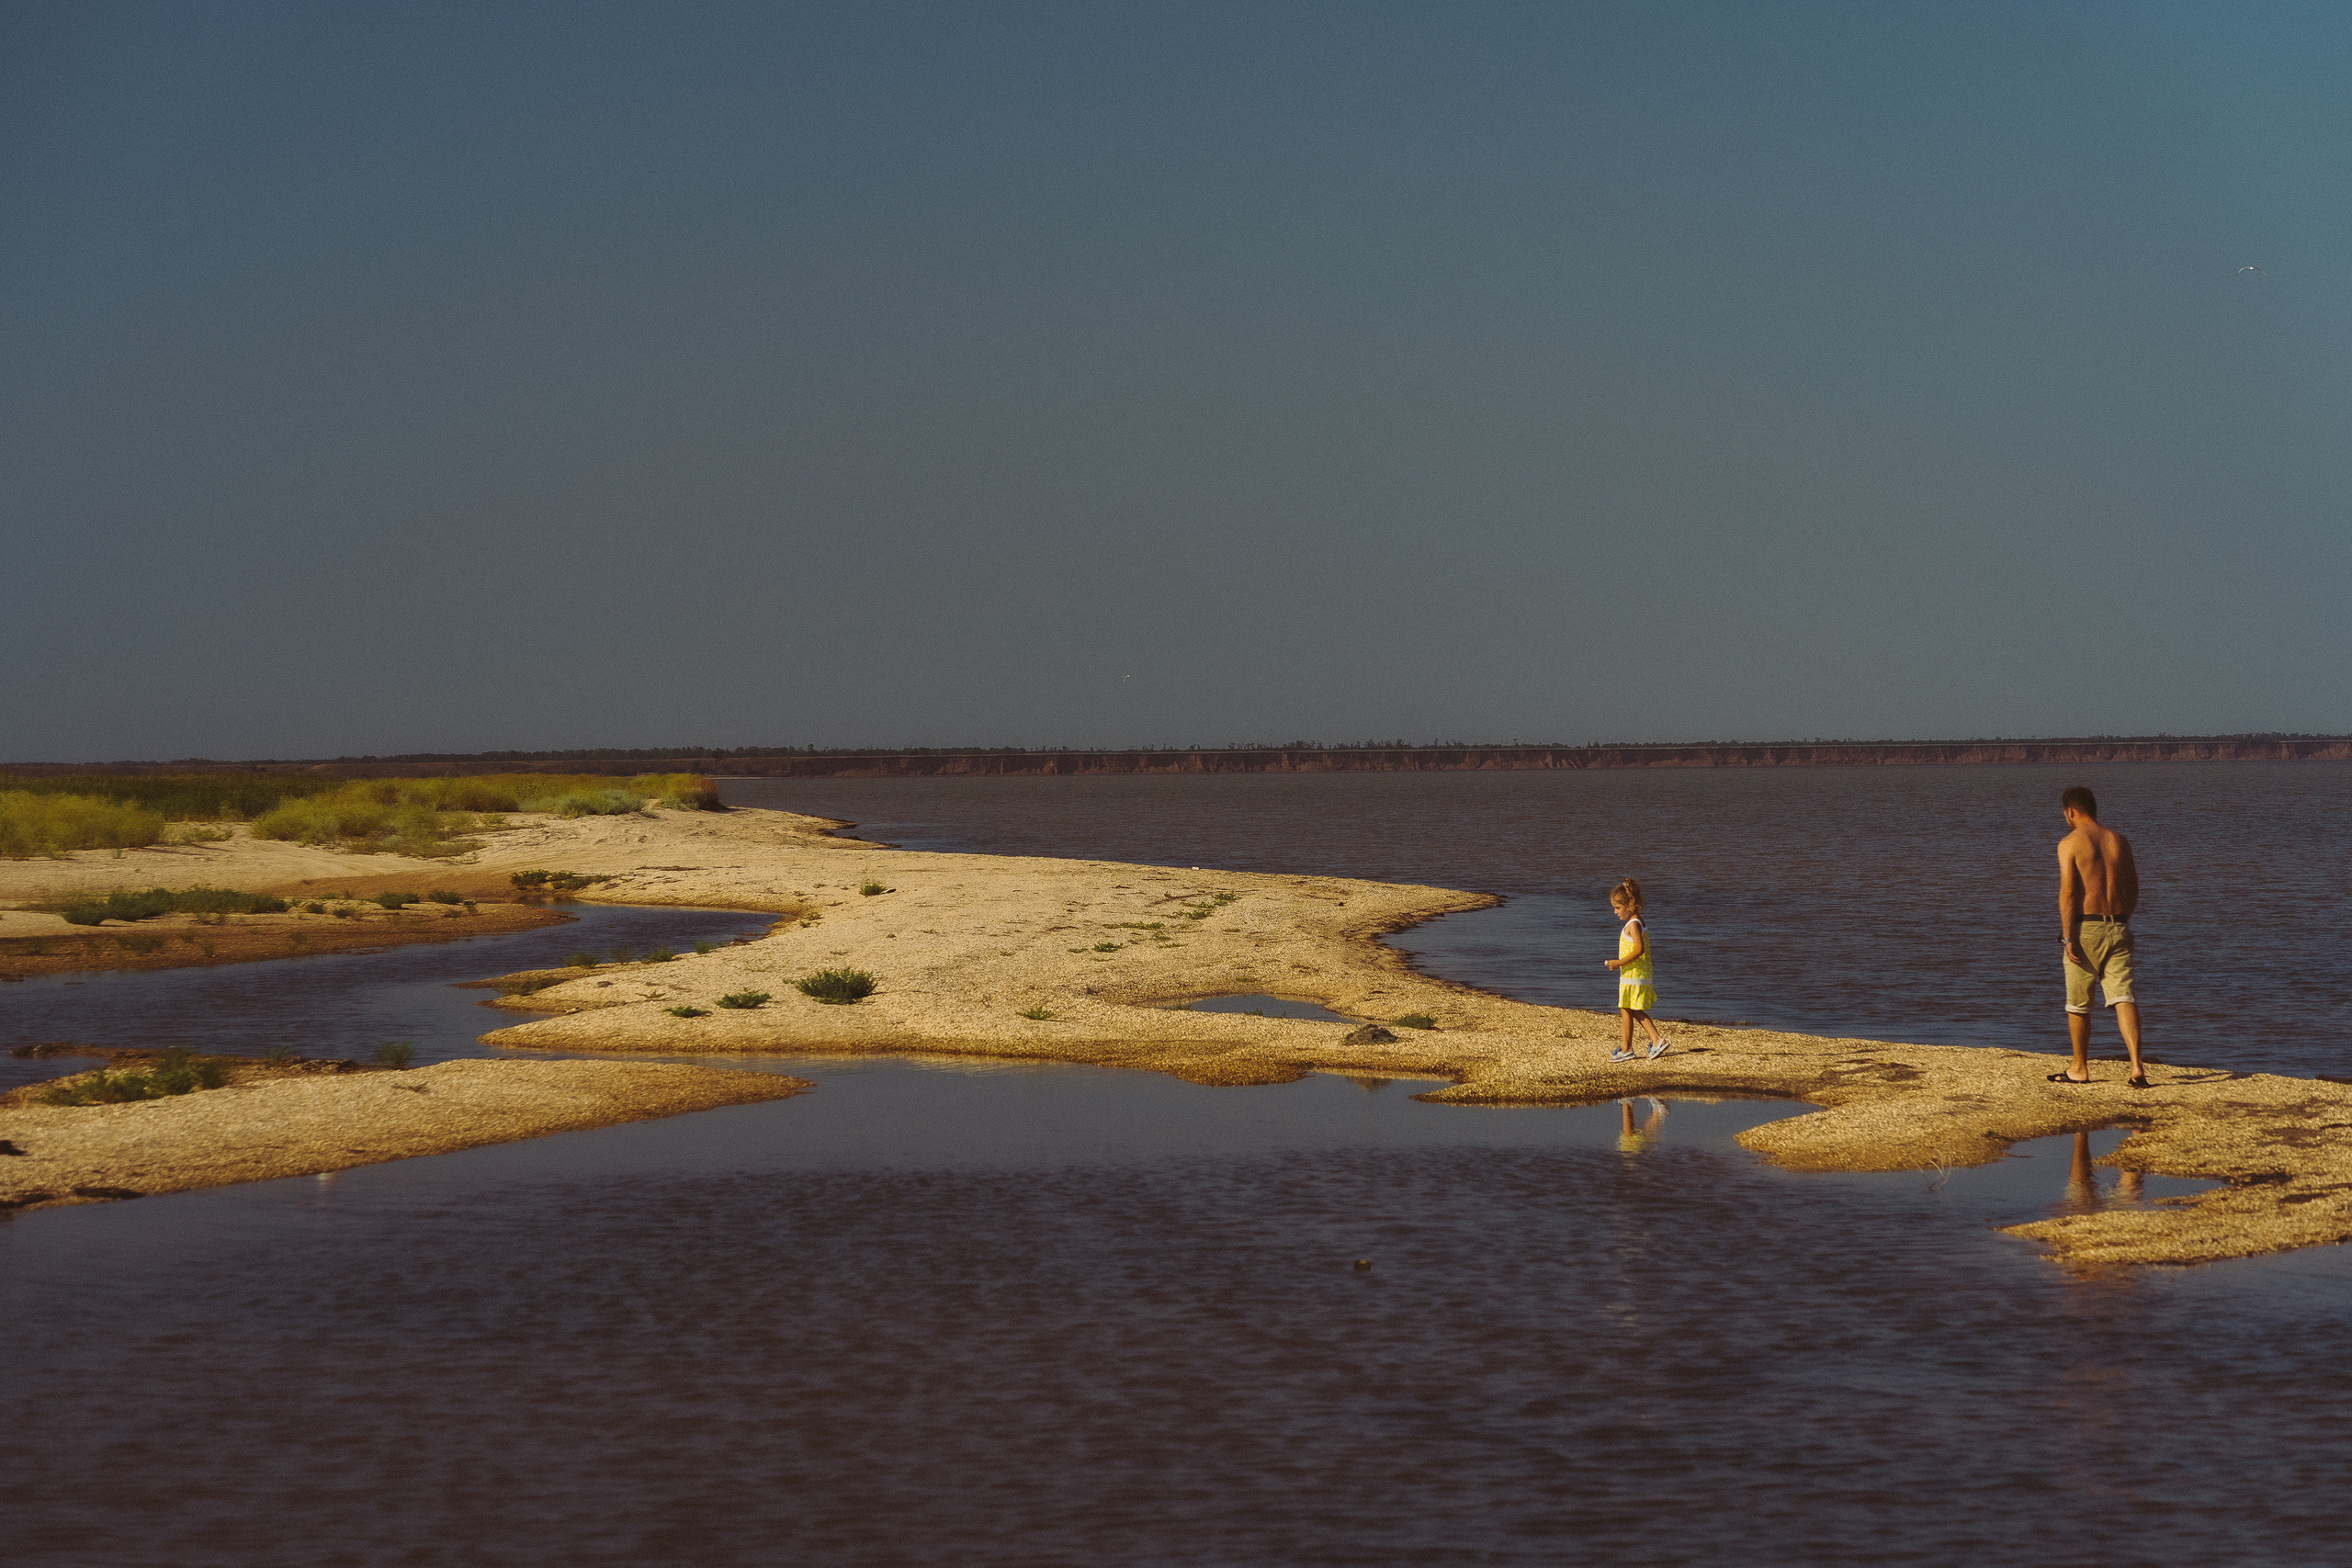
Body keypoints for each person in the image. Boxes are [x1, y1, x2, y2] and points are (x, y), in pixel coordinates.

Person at [2051, 785, 2150, 1089]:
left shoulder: (2070, 843)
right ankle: (2136, 1067)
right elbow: (2133, 889)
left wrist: (2068, 938)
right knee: (2123, 997)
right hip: (2118, 925)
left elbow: (2068, 894)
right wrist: (2122, 920)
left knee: (2078, 1003)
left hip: (2086, 927)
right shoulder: (2118, 841)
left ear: (2070, 811)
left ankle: (2079, 1068)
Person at [1602, 877, 1670, 1062]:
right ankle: (1632, 1046)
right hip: (1635, 975)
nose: (1615, 912)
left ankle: (1644, 1043)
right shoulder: (1637, 921)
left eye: (1618, 908)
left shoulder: (1633, 924)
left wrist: (1618, 963)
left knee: (1629, 1008)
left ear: (1630, 905)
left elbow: (1639, 950)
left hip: (1634, 975)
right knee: (1629, 1009)